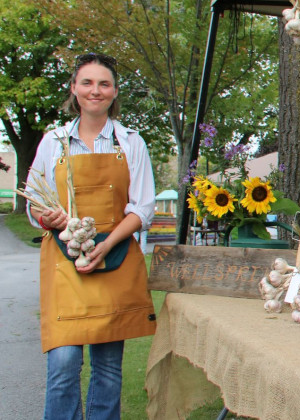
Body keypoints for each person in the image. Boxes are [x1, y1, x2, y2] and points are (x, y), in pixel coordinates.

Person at [24, 53, 156, 420]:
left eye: (104, 84)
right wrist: (45, 216)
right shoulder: (53, 142)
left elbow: (142, 209)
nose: (95, 91)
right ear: (74, 89)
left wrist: (105, 244)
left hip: (114, 261)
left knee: (109, 367)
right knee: (64, 362)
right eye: (87, 83)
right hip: (64, 264)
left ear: (114, 92)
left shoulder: (131, 142)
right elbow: (34, 203)